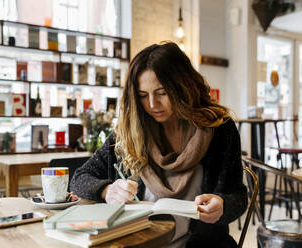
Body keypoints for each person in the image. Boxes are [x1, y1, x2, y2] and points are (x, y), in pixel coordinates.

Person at [70, 42, 247, 247]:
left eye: (162, 93)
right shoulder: (129, 132)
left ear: (183, 86)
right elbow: (80, 178)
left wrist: (223, 205)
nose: (153, 105)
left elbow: (238, 196)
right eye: (143, 96)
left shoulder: (219, 129)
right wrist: (106, 190)